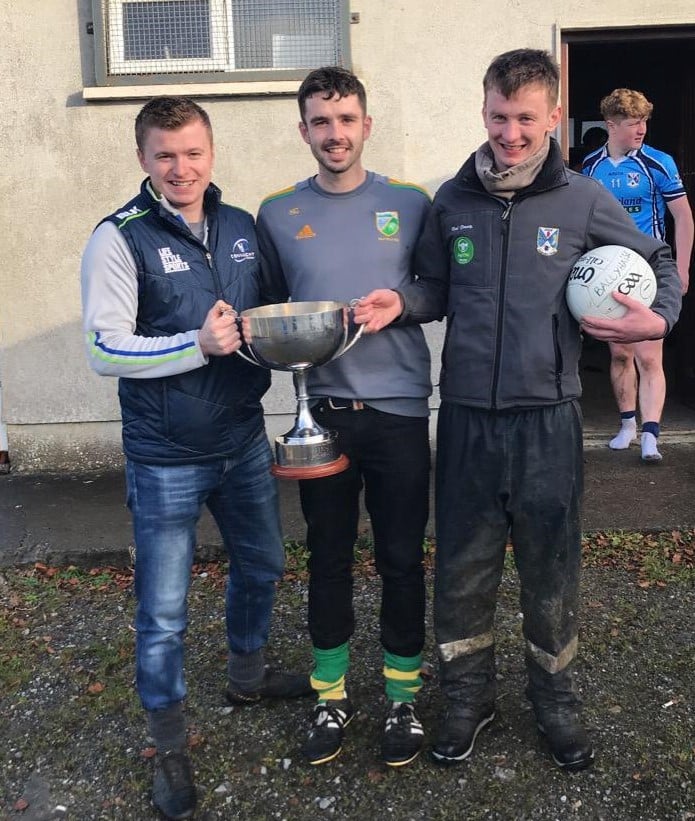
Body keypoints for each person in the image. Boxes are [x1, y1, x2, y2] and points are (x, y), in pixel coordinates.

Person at [354, 49, 682, 772]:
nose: (510, 132)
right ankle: (469, 697)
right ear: (482, 110)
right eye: (498, 117)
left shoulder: (580, 198)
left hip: (548, 418)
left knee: (550, 568)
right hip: (468, 416)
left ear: (554, 116)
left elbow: (656, 258)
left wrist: (656, 318)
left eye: (525, 118)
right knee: (462, 572)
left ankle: (554, 697)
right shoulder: (453, 199)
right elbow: (433, 287)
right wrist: (399, 302)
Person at [80, 96, 311, 820]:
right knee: (164, 612)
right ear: (142, 158)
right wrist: (194, 344)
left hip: (240, 439)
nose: (181, 168)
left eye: (193, 153)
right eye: (165, 155)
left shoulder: (240, 226)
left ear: (211, 153)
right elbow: (102, 346)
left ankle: (246, 673)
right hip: (166, 457)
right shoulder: (118, 238)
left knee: (265, 564)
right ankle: (169, 743)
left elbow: (269, 309)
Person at [255, 67, 432, 768]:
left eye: (347, 119)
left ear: (367, 124)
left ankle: (402, 698)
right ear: (303, 130)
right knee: (326, 559)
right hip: (319, 414)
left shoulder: (411, 202)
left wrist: (404, 302)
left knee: (399, 558)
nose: (335, 134)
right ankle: (330, 696)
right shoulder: (274, 212)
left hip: (397, 411)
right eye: (321, 122)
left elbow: (435, 287)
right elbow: (266, 304)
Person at [583, 88, 693, 461]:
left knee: (649, 357)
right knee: (620, 355)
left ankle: (651, 435)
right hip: (611, 274)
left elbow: (683, 216)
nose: (642, 128)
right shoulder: (591, 168)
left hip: (651, 271)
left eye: (645, 120)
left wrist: (681, 269)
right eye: (633, 122)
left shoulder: (658, 163)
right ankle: (627, 424)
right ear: (611, 125)